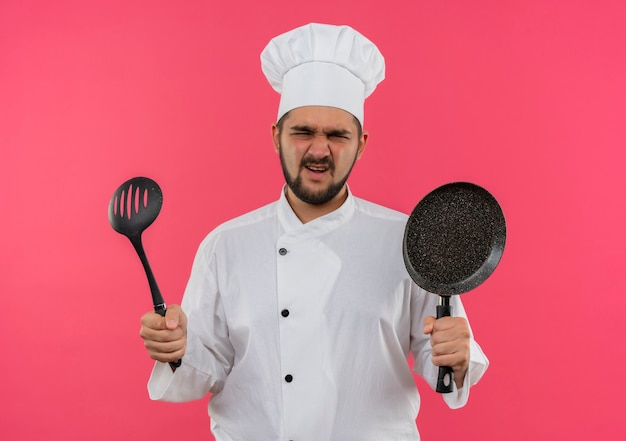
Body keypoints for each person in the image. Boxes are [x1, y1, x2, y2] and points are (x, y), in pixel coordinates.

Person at [139, 23, 489, 441]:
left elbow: (444, 363)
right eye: (302, 131)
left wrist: (458, 355)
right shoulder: (225, 246)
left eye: (337, 135)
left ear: (360, 143)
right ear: (276, 137)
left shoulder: (410, 241)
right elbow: (205, 367)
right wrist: (177, 350)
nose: (319, 150)